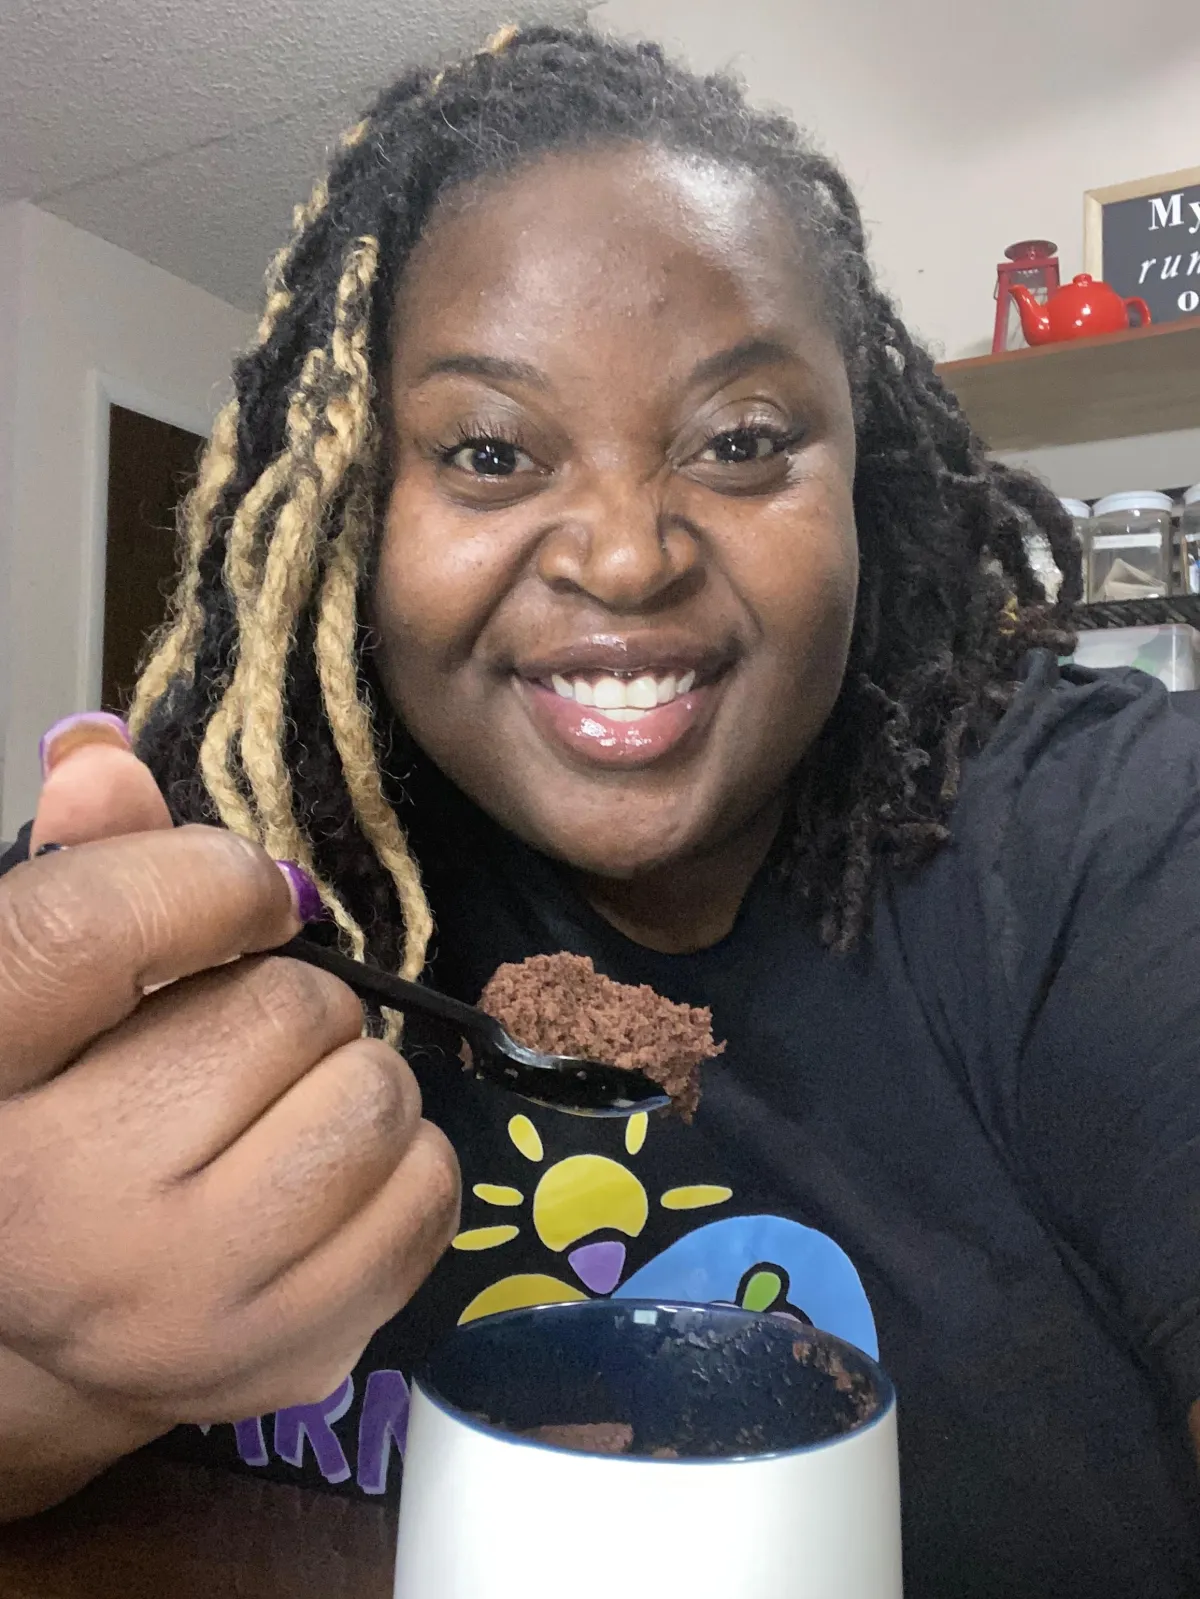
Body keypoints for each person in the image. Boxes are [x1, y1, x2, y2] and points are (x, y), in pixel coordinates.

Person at [0, 21, 1198, 1594]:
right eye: (491, 450)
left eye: (744, 441)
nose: (627, 557)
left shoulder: (1114, 837)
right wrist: (38, 1384)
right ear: (363, 507)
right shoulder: (208, 881)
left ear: (868, 476)